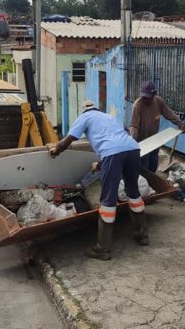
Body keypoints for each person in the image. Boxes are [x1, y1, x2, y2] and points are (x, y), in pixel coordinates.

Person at [50, 100, 148, 261]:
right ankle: (142, 235)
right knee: (133, 193)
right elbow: (117, 143)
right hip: (133, 149)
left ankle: (103, 248)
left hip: (113, 153)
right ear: (96, 108)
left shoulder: (84, 118)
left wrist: (55, 151)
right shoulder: (107, 117)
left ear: (83, 110)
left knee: (108, 200)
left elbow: (68, 140)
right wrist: (102, 164)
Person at [129, 81, 185, 172]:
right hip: (142, 143)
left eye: (148, 97)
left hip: (155, 140)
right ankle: (143, 184)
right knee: (144, 167)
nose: (145, 99)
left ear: (154, 95)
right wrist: (133, 144)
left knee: (153, 164)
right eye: (143, 96)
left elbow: (169, 114)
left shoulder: (158, 101)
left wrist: (180, 124)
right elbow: (134, 126)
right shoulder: (137, 105)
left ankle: (151, 184)